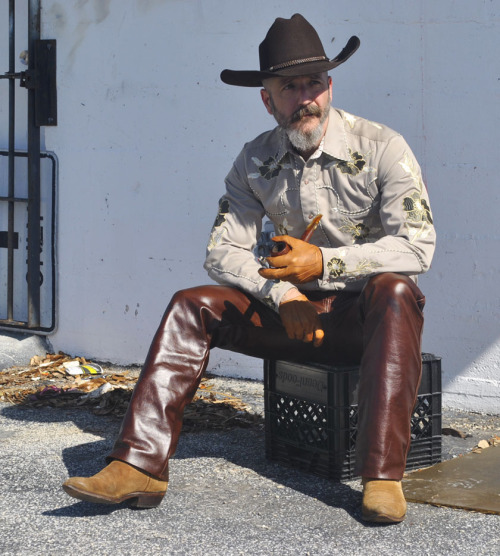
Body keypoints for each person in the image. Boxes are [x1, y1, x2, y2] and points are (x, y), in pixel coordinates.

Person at [63, 14, 435, 524]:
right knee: (191, 304)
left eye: (314, 83)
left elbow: (418, 247)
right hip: (291, 318)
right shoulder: (253, 159)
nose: (305, 97)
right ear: (267, 99)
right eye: (289, 87)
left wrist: (323, 260)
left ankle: (382, 477)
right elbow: (222, 249)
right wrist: (283, 297)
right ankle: (139, 467)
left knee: (396, 288)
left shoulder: (382, 148)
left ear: (330, 86)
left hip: (362, 319)